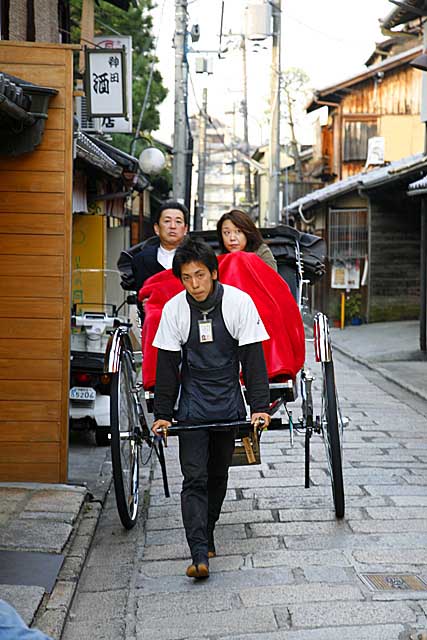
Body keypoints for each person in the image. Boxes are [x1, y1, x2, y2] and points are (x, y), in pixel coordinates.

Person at [151, 237, 271, 579]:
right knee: (194, 478)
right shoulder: (175, 309)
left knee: (218, 474)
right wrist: (162, 413)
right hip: (192, 405)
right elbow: (167, 366)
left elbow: (252, 357)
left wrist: (259, 405)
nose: (194, 284)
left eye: (200, 275)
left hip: (228, 402)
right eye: (187, 278)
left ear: (214, 273)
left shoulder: (238, 302)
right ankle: (198, 553)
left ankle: (209, 530)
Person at [117, 200, 189, 292]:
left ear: (185, 229)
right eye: (167, 221)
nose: (173, 226)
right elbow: (140, 294)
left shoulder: (196, 258)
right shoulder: (141, 259)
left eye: (178, 222)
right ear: (157, 228)